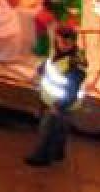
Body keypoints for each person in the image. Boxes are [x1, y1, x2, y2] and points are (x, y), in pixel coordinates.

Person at [26, 24, 86, 167]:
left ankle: (41, 157)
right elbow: (49, 64)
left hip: (60, 104)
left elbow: (72, 89)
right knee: (60, 129)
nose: (63, 45)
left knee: (47, 130)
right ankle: (58, 152)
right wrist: (39, 71)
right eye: (60, 41)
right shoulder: (56, 52)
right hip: (52, 100)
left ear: (73, 42)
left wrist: (58, 105)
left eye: (67, 43)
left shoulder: (75, 64)